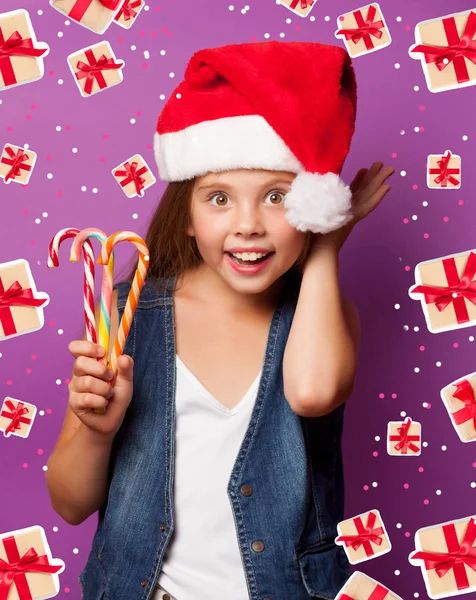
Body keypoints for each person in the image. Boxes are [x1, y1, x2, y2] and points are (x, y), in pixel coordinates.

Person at [46, 40, 394, 600]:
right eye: (218, 198)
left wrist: (327, 248)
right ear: (185, 214)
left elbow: (312, 393)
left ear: (311, 205)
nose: (248, 225)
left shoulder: (319, 312)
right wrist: (97, 429)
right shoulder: (125, 313)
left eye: (278, 196)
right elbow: (69, 503)